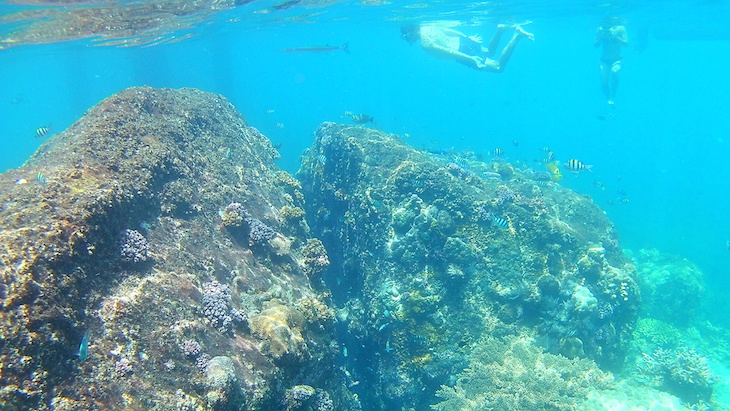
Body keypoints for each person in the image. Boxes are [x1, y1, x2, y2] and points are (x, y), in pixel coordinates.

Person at [401, 21, 534, 72]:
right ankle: (500, 30)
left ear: (412, 30)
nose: (409, 39)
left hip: (462, 52)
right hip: (463, 42)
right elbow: (448, 31)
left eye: (407, 36)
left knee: (498, 67)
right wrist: (466, 37)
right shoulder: (428, 26)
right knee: (488, 51)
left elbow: (448, 52)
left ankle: (517, 36)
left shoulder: (425, 44)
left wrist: (469, 59)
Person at [595, 17, 628, 105]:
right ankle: (608, 99)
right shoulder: (600, 30)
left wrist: (616, 37)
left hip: (617, 59)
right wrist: (601, 37)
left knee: (615, 71)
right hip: (604, 60)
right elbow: (595, 45)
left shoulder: (620, 29)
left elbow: (626, 44)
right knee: (604, 83)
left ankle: (613, 96)